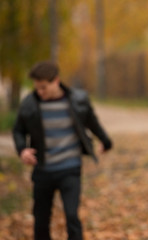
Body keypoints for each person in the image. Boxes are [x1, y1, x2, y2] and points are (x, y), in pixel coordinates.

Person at [12, 61, 112, 240]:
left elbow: (92, 122)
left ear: (56, 81)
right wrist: (22, 150)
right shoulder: (30, 103)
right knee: (41, 220)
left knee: (72, 216)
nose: (40, 92)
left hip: (70, 169)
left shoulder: (77, 100)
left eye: (43, 87)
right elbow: (18, 130)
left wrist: (105, 141)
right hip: (43, 170)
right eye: (37, 88)